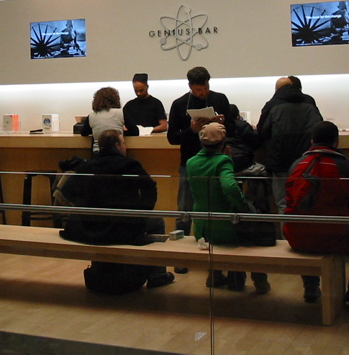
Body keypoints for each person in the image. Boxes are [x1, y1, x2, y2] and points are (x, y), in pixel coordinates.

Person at [59, 129, 174, 292]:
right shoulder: (129, 165)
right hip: (123, 226)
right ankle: (157, 275)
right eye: (123, 143)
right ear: (117, 145)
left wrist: (85, 207)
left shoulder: (88, 165)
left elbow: (67, 191)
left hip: (91, 227)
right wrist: (141, 212)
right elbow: (150, 188)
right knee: (157, 222)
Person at [283, 121, 349, 305]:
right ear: (336, 142)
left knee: (305, 221)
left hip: (296, 236)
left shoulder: (296, 165)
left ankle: (311, 288)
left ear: (312, 141)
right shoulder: (344, 166)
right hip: (333, 236)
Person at [187, 122, 270, 294]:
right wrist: (241, 206)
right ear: (224, 143)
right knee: (251, 233)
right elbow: (230, 187)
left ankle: (215, 275)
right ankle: (259, 281)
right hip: (224, 225)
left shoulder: (191, 162)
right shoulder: (223, 161)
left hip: (201, 226)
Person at [167, 66, 229, 245]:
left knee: (218, 202)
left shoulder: (220, 99)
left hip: (218, 159)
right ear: (190, 86)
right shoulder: (179, 104)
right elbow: (172, 138)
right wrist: (192, 130)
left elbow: (233, 129)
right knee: (185, 206)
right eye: (199, 90)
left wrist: (221, 123)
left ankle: (217, 241)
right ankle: (182, 247)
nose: (203, 93)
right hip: (189, 160)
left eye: (206, 88)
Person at [256, 77, 322, 214]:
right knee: (307, 201)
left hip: (280, 160)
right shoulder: (309, 102)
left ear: (277, 89)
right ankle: (305, 235)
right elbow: (319, 127)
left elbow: (262, 131)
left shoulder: (272, 104)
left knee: (283, 202)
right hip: (306, 161)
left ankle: (286, 235)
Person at [80, 86, 137, 152]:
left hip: (98, 153)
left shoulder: (92, 115)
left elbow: (83, 133)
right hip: (117, 152)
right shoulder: (121, 113)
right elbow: (135, 131)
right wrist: (121, 132)